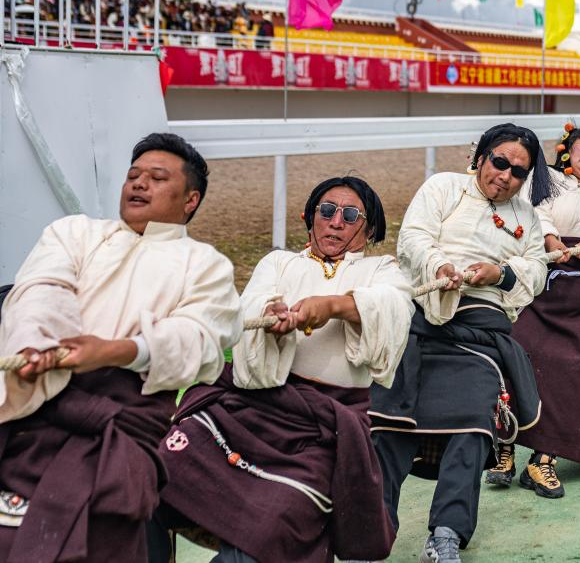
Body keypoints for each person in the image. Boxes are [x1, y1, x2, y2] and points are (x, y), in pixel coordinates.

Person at [0, 133, 242, 562]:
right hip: (35, 401)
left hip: (122, 427)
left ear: (190, 200)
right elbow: (41, 290)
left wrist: (118, 351)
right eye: (133, 175)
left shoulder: (206, 265)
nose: (139, 183)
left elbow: (198, 341)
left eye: (157, 177)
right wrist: (38, 347)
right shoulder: (73, 232)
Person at [152, 177, 411, 563]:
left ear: (369, 229)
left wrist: (332, 306)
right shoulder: (278, 263)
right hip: (251, 409)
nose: (335, 222)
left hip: (322, 430)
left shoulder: (381, 269)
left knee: (273, 521)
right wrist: (270, 314)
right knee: (154, 473)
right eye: (327, 210)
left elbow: (392, 303)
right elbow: (251, 304)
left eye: (350, 215)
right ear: (311, 218)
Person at [370, 123, 552, 563]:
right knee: (389, 425)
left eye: (518, 172)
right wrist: (440, 266)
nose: (505, 176)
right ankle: (369, 536)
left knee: (473, 425)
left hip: (482, 331)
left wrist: (501, 273)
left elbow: (537, 270)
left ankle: (446, 534)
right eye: (500, 162)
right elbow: (413, 237)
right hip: (422, 317)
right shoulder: (443, 188)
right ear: (481, 156)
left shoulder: (526, 217)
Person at [485, 123, 580, 498]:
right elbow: (534, 213)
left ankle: (544, 458)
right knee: (521, 353)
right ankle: (506, 446)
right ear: (566, 150)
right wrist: (551, 240)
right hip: (542, 280)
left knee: (575, 367)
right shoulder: (546, 180)